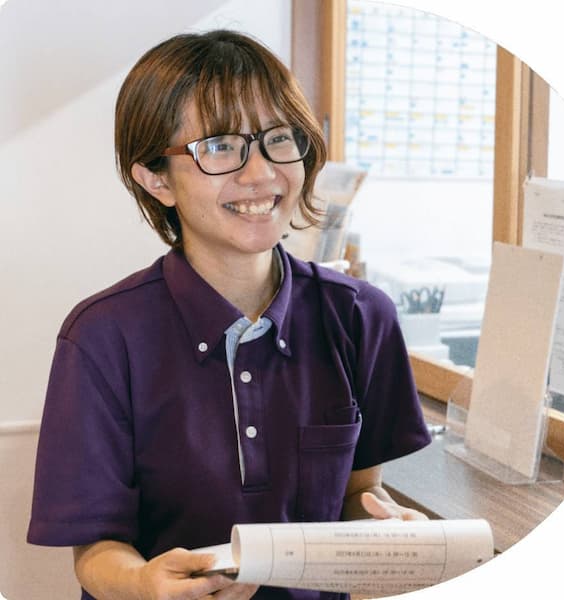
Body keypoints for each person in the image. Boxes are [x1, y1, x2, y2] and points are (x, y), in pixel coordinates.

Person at [27, 29, 431, 600]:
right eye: (220, 146)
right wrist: (144, 583)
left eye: (278, 139)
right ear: (156, 179)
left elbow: (355, 496)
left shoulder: (361, 316)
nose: (260, 173)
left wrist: (389, 534)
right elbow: (95, 552)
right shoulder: (101, 337)